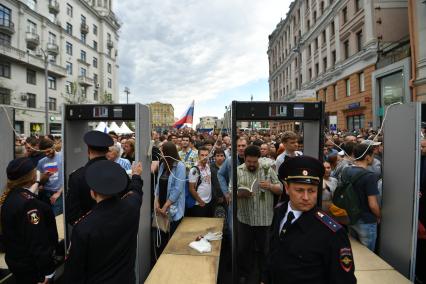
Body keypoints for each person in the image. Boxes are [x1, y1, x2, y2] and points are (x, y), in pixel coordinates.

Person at [262, 156, 356, 284]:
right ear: (287, 188)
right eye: (299, 190)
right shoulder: (280, 211)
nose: (306, 197)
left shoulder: (332, 232)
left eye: (311, 191)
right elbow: (274, 252)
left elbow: (343, 280)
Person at [64, 160, 143, 283]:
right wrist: (136, 175)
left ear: (92, 193)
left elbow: (73, 272)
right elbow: (136, 190)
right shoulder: (131, 206)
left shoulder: (83, 227)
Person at [1, 158, 58, 284]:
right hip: (32, 267)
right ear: (30, 176)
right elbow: (37, 240)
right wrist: (48, 271)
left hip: (17, 261)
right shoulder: (29, 204)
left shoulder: (9, 196)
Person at [66, 131, 140, 226]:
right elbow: (129, 198)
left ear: (88, 150)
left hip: (88, 232)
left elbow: (72, 214)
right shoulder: (119, 171)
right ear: (106, 151)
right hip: (117, 228)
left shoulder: (77, 176)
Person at [235, 145, 282, 283]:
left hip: (264, 219)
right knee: (244, 249)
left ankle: (264, 277)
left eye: (254, 162)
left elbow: (280, 189)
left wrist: (271, 186)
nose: (252, 164)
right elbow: (231, 192)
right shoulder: (238, 171)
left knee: (265, 251)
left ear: (259, 160)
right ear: (244, 158)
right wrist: (240, 193)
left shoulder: (267, 170)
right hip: (245, 218)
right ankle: (245, 275)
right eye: (249, 162)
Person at [346, 143, 381, 252]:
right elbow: (372, 204)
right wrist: (379, 216)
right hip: (366, 220)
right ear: (367, 157)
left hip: (350, 218)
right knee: (369, 255)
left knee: (356, 254)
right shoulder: (370, 176)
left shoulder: (346, 170)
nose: (373, 158)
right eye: (372, 156)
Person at [153, 141, 186, 255]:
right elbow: (158, 184)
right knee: (161, 236)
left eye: (162, 151)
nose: (160, 154)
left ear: (168, 152)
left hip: (173, 207)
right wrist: (156, 201)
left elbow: (178, 189)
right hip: (161, 206)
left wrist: (166, 206)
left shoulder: (180, 166)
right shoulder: (163, 165)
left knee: (172, 239)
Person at [37, 138, 64, 216]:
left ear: (53, 147)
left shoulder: (62, 157)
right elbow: (40, 182)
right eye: (44, 152)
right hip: (45, 194)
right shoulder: (41, 162)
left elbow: (68, 176)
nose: (47, 154)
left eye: (48, 151)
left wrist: (59, 192)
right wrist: (45, 177)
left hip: (58, 194)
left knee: (56, 219)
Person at [188, 146, 213, 217]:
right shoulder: (194, 170)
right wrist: (200, 201)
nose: (204, 157)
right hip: (199, 204)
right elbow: (191, 189)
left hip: (208, 201)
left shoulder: (207, 166)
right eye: (202, 155)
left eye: (206, 155)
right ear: (198, 156)